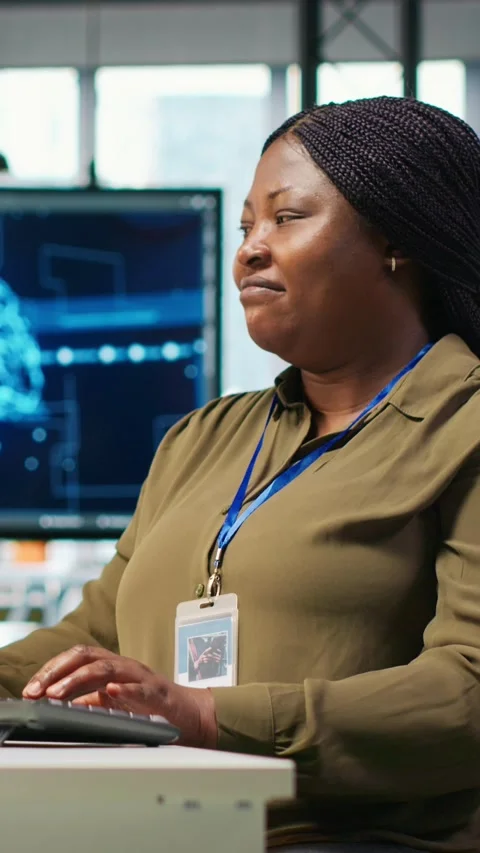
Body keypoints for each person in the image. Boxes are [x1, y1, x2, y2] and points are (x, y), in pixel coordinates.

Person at [1, 95, 480, 852]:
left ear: (397, 240)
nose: (251, 250)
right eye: (246, 227)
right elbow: (96, 632)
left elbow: (468, 690)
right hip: (148, 829)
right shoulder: (204, 438)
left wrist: (206, 715)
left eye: (286, 218)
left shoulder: (465, 425)